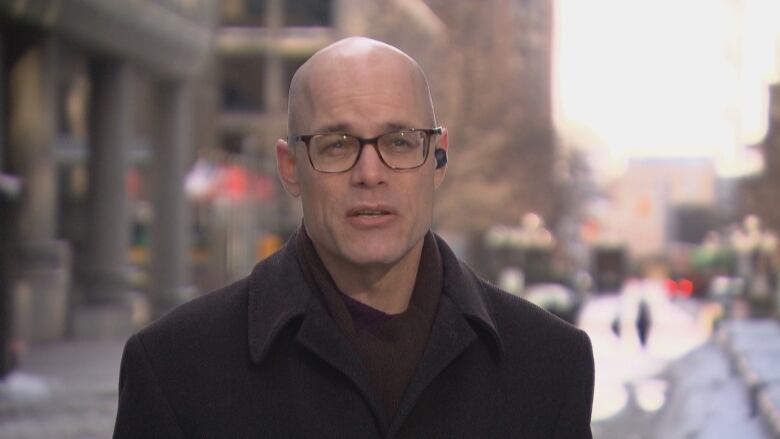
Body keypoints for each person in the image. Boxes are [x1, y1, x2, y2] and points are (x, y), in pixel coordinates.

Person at [113, 37, 594, 438]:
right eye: (337, 144)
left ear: (438, 158)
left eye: (400, 141)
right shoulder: (174, 368)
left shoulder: (550, 364)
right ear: (291, 168)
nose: (370, 173)